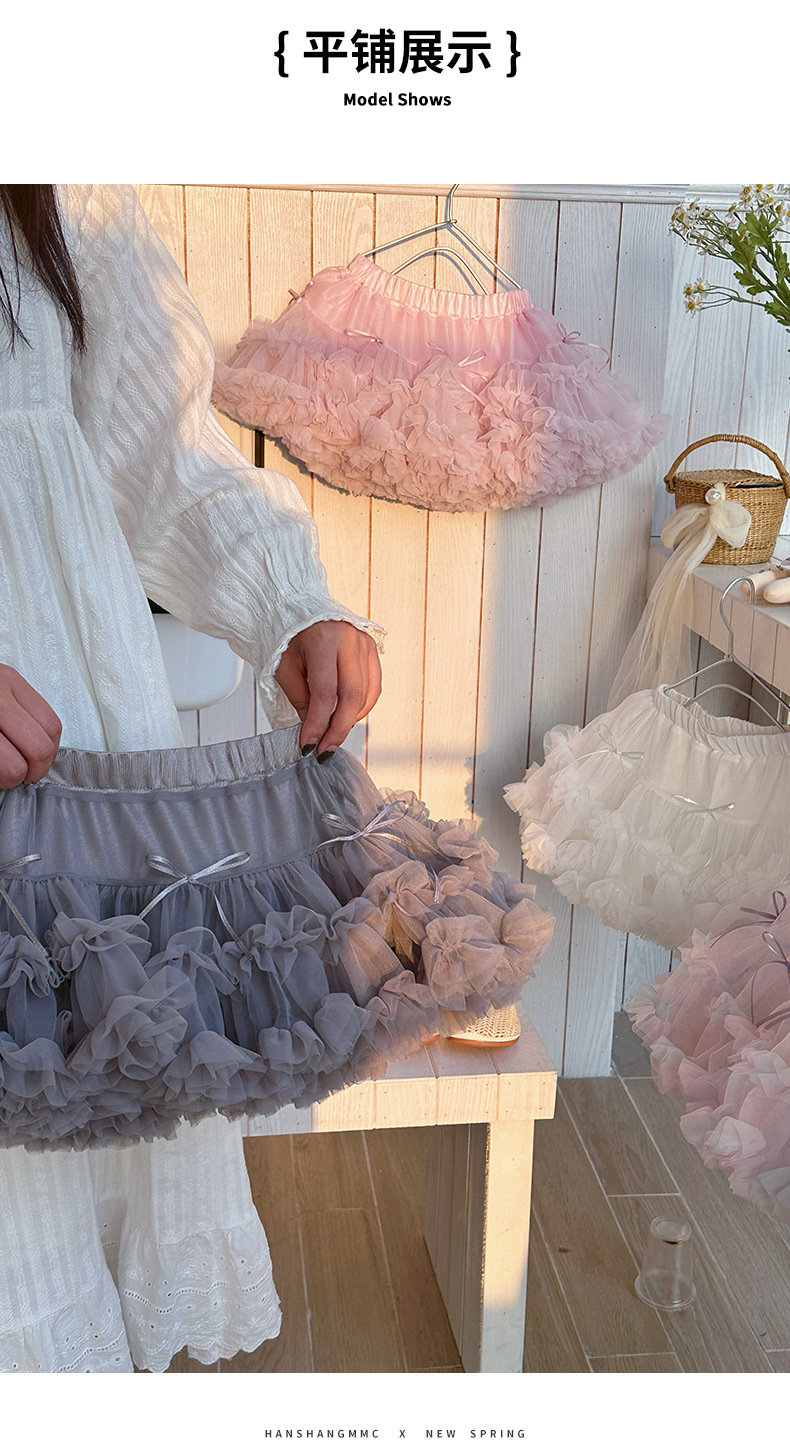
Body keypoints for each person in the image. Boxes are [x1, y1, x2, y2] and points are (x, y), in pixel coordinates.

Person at [0, 182, 383, 1372]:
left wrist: (288, 603)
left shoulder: (62, 182)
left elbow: (155, 443)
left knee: (78, 1113)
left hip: (79, 740)